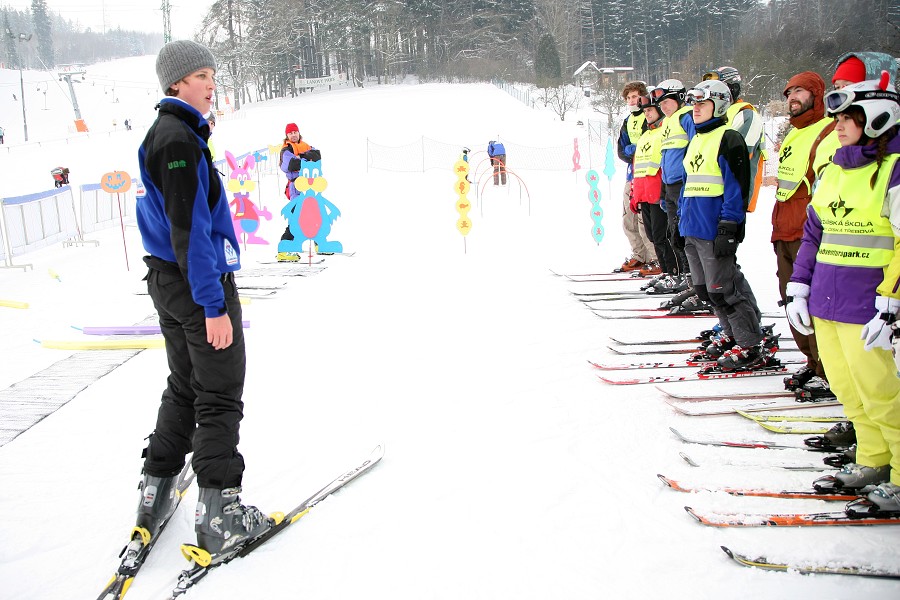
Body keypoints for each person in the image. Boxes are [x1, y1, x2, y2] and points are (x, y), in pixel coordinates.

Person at [134, 39, 270, 559]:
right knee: (218, 392)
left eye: (213, 73)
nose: (211, 82)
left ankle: (158, 484)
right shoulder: (177, 140)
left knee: (186, 385)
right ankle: (219, 514)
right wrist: (213, 305)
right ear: (175, 84)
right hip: (195, 286)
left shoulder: (171, 134)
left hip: (170, 282)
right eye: (201, 75)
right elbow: (188, 229)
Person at [785, 72, 900, 515]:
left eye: (849, 116)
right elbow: (813, 234)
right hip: (826, 300)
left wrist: (890, 303)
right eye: (837, 117)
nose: (839, 124)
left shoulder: (893, 170)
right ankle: (873, 459)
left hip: (868, 305)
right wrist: (799, 286)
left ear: (876, 118)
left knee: (881, 392)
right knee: (847, 388)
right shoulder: (834, 169)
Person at [678, 79, 773, 370]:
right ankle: (731, 334)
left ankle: (750, 343)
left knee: (725, 289)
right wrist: (678, 223)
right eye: (694, 104)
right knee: (707, 290)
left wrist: (729, 226)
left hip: (713, 228)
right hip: (692, 227)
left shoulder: (728, 137)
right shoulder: (696, 138)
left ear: (718, 105)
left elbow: (736, 187)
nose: (696, 109)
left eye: (702, 104)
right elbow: (688, 184)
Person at [772, 71, 837, 397]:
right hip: (784, 229)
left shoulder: (828, 132)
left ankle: (829, 371)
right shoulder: (795, 134)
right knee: (790, 300)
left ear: (816, 94)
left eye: (799, 91)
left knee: (812, 304)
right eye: (789, 92)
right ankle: (813, 363)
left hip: (808, 233)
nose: (792, 97)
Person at [652, 79, 695, 295]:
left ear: (678, 98)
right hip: (669, 185)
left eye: (667, 102)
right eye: (660, 104)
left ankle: (694, 279)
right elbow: (665, 157)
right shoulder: (667, 123)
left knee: (684, 233)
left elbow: (696, 147)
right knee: (673, 234)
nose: (663, 107)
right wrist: (662, 191)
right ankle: (685, 277)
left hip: (683, 185)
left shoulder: (687, 116)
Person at [631, 93, 676, 281]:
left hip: (657, 192)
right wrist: (635, 194)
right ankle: (665, 272)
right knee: (652, 236)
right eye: (645, 111)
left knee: (662, 235)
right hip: (644, 192)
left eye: (650, 110)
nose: (647, 114)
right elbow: (638, 167)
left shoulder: (664, 130)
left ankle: (672, 271)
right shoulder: (645, 135)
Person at [616, 81, 658, 274]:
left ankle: (655, 257)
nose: (632, 101)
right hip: (631, 172)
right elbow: (621, 149)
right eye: (629, 98)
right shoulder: (627, 121)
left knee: (644, 218)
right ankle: (639, 255)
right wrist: (630, 152)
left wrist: (637, 149)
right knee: (628, 218)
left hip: (647, 174)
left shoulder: (649, 115)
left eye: (635, 97)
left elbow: (649, 141)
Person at [276, 122, 313, 259]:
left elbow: (317, 156)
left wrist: (301, 157)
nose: (293, 135)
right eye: (290, 133)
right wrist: (306, 158)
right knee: (296, 218)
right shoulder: (286, 150)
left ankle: (318, 242)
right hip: (296, 187)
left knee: (313, 215)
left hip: (309, 187)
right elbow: (291, 164)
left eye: (295, 132)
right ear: (287, 135)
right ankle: (284, 248)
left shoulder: (306, 146)